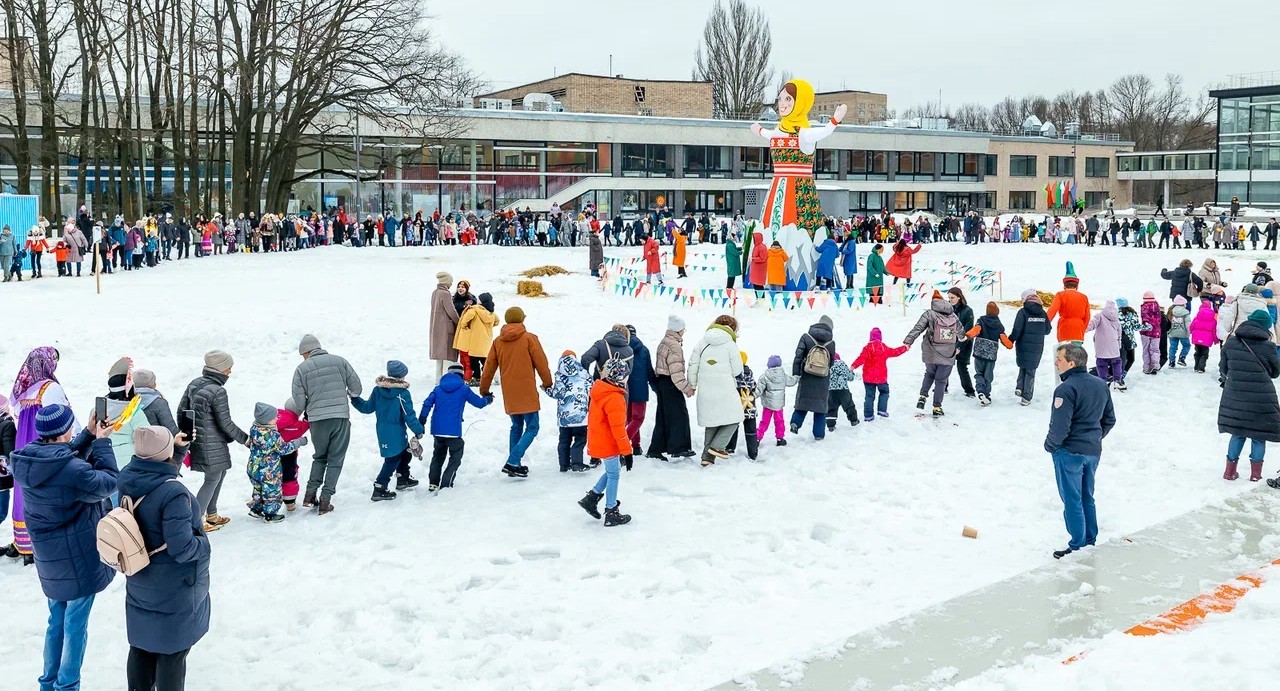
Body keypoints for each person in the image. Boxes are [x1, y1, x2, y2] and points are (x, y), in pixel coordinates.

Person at [11, 404, 118, 690]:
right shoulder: (70, 470)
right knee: (75, 624)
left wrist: (88, 435)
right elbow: (107, 483)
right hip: (77, 556)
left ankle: (48, 682)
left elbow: (62, 460)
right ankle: (67, 685)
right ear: (65, 430)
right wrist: (103, 442)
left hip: (50, 556)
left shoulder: (29, 460)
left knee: (56, 619)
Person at [115, 426, 206, 691]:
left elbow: (154, 479)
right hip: (172, 586)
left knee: (142, 645)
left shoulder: (127, 479)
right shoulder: (174, 493)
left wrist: (176, 450)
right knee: (172, 651)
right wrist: (204, 545)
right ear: (163, 453)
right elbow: (182, 548)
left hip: (140, 576)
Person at [1044, 343, 1116, 559]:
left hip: (1070, 452)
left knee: (1073, 498)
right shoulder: (1100, 384)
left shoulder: (1065, 389)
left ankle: (1077, 544)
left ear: (1071, 363)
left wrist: (1051, 445)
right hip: (1092, 451)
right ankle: (1089, 539)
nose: (1056, 362)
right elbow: (1109, 419)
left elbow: (1060, 426)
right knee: (1087, 496)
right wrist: (1094, 437)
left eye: (1060, 358)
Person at [179, 350, 249, 532]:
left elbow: (181, 411)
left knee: (220, 473)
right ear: (220, 369)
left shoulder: (194, 384)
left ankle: (212, 514)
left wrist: (187, 434)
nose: (230, 372)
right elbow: (225, 422)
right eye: (228, 368)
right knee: (212, 478)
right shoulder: (218, 391)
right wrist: (245, 439)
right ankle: (197, 520)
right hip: (212, 442)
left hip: (200, 440)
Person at [479, 307, 552, 477]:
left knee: (516, 425)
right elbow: (541, 363)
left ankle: (514, 465)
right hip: (526, 389)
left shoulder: (498, 341)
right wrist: (547, 383)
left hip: (509, 391)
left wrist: (484, 389)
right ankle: (513, 461)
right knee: (533, 427)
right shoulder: (529, 339)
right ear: (522, 319)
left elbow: (489, 367)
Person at [293, 334, 361, 514]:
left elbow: (299, 403)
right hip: (339, 418)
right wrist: (347, 394)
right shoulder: (340, 362)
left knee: (320, 456)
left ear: (306, 352)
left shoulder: (301, 369)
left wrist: (311, 408)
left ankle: (309, 495)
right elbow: (356, 389)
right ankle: (325, 500)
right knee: (335, 459)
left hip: (317, 420)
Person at [1218, 310, 1280, 482]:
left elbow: (1223, 369)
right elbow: (1275, 372)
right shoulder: (1268, 346)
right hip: (1262, 396)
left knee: (1237, 432)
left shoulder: (1231, 343)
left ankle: (1229, 472)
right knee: (1259, 435)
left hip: (1235, 394)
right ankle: (1255, 474)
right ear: (1266, 326)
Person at [349, 360, 424, 501]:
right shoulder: (402, 393)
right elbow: (409, 415)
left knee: (405, 452)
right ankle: (379, 487)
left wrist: (355, 399)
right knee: (392, 460)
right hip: (395, 432)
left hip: (384, 431)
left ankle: (403, 478)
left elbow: (367, 407)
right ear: (401, 377)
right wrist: (419, 430)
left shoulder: (378, 391)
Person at [576, 357, 633, 527]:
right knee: (614, 474)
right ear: (620, 377)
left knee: (611, 471)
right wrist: (627, 451)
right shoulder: (614, 398)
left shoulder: (601, 390)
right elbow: (618, 428)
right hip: (608, 442)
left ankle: (592, 498)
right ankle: (611, 511)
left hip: (599, 439)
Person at [419, 363, 492, 491]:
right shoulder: (463, 389)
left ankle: (433, 483)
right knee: (455, 457)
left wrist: (422, 419)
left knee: (438, 455)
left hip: (437, 430)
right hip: (453, 430)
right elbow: (479, 403)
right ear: (461, 375)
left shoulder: (438, 388)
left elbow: (427, 404)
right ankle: (446, 484)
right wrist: (488, 399)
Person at [688, 315, 744, 466]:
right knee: (736, 417)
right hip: (725, 389)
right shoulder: (730, 344)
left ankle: (707, 458)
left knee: (711, 422)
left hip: (706, 389)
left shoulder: (702, 342)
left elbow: (693, 364)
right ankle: (718, 446)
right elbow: (738, 370)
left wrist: (692, 385)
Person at [903, 290, 966, 417]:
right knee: (941, 381)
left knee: (929, 373)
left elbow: (918, 328)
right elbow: (961, 334)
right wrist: (963, 339)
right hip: (948, 353)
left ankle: (922, 396)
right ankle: (937, 407)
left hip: (931, 351)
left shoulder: (929, 313)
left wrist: (908, 342)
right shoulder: (953, 315)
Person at [647, 315, 695, 461]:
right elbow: (676, 372)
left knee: (663, 417)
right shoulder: (674, 346)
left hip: (661, 382)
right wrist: (687, 388)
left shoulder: (664, 341)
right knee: (678, 416)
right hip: (670, 384)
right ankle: (679, 447)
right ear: (679, 330)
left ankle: (656, 448)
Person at [789, 315, 836, 437]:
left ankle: (795, 423)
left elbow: (798, 357)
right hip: (822, 378)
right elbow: (831, 363)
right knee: (820, 408)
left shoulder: (806, 337)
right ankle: (819, 434)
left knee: (803, 403)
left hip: (807, 375)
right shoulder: (831, 343)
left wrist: (796, 373)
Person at [850, 328, 908, 420]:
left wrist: (853, 366)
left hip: (868, 377)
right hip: (881, 378)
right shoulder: (883, 347)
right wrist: (905, 348)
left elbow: (861, 358)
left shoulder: (867, 348)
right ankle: (882, 410)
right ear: (880, 337)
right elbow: (895, 352)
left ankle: (868, 416)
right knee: (884, 392)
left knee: (869, 396)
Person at [965, 302, 1015, 406]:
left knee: (979, 373)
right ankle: (986, 395)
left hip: (979, 353)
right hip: (991, 356)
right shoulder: (999, 325)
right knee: (988, 376)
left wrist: (968, 335)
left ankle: (980, 391)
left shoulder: (981, 321)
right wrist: (1010, 344)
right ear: (997, 312)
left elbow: (976, 330)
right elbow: (1004, 339)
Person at [549, 352, 591, 473]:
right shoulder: (583, 373)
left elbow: (558, 393)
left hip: (564, 416)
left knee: (564, 440)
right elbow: (591, 388)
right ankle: (577, 462)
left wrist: (547, 390)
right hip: (580, 415)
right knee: (580, 438)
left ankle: (564, 464)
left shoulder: (559, 375)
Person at [1009, 290, 1052, 405]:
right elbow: (1047, 330)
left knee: (1023, 365)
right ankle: (1026, 397)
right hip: (1037, 346)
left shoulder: (1022, 312)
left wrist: (1011, 340)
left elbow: (1017, 329)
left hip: (1023, 344)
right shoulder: (1043, 313)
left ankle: (1019, 387)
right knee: (1031, 370)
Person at [454, 293, 498, 384]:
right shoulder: (491, 312)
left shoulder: (474, 309)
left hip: (474, 341)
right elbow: (497, 322)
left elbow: (464, 320)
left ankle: (477, 378)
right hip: (485, 341)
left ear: (481, 301)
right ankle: (490, 376)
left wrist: (465, 326)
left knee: (474, 361)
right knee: (485, 360)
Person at [624, 325, 656, 452]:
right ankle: (625, 443)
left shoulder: (621, 349)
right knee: (637, 418)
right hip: (640, 388)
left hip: (624, 388)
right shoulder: (643, 350)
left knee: (629, 419)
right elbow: (649, 371)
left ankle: (636, 446)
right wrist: (656, 388)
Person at [1047, 262, 1091, 344]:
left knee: (1064, 354)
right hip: (1078, 331)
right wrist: (1082, 328)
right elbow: (1087, 317)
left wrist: (1045, 322)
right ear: (1077, 287)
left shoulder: (1060, 295)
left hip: (1064, 329)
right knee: (1076, 355)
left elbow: (1052, 310)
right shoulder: (1084, 297)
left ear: (1064, 286)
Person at [1087, 300, 1125, 390]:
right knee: (1117, 363)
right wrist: (1119, 345)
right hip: (1114, 346)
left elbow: (1091, 325)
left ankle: (1103, 380)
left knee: (1101, 363)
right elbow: (1119, 334)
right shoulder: (1117, 320)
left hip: (1101, 346)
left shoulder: (1099, 316)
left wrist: (1082, 330)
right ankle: (1117, 380)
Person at [947, 287, 977, 398]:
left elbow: (968, 330)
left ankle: (969, 390)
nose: (950, 300)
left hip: (964, 344)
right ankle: (943, 386)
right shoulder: (948, 309)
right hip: (949, 342)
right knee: (945, 365)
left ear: (959, 297)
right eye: (949, 298)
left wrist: (959, 346)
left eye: (953, 297)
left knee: (962, 367)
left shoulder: (968, 311)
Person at [430, 272, 461, 379]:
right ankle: (446, 379)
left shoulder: (435, 292)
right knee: (447, 356)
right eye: (450, 282)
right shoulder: (445, 294)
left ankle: (438, 379)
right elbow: (451, 311)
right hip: (445, 328)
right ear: (446, 282)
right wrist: (459, 322)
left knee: (440, 356)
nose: (451, 284)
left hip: (436, 326)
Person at [134, 369, 178, 434]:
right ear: (153, 384)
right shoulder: (158, 403)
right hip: (155, 442)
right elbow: (171, 431)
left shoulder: (122, 401)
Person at [825, 353, 860, 429]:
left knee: (831, 408)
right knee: (849, 406)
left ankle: (830, 425)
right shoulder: (842, 364)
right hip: (843, 390)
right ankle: (854, 420)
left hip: (831, 391)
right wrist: (852, 374)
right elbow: (850, 377)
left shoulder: (827, 365)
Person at [1168, 297, 1192, 369]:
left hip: (1172, 333)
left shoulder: (1170, 311)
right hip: (1183, 333)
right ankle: (1182, 357)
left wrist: (1168, 331)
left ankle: (1171, 362)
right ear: (1182, 304)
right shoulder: (1185, 312)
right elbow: (1188, 324)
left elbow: (1168, 322)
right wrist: (1189, 331)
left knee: (1173, 347)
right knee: (1186, 346)